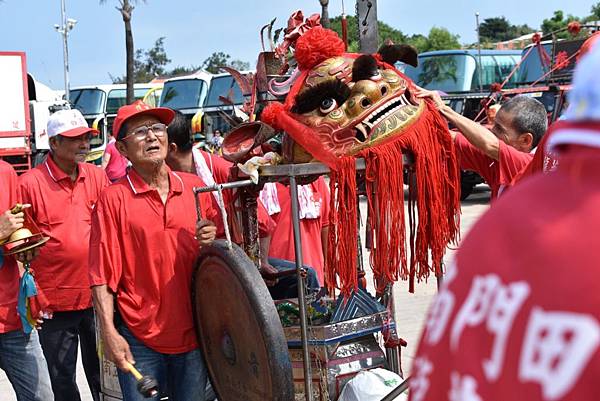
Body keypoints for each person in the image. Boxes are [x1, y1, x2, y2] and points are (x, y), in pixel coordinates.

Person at [409, 43, 600, 401]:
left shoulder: (519, 164)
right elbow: (456, 140)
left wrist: (446, 109)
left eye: (499, 129)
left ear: (529, 143)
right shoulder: (501, 173)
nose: (490, 133)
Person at [89, 101, 218, 401]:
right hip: (139, 339)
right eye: (140, 131)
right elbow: (101, 275)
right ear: (122, 149)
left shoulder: (195, 188)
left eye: (158, 128)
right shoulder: (113, 200)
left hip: (194, 335)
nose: (152, 137)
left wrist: (211, 240)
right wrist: (109, 332)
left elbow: (222, 260)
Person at [165, 111, 320, 299]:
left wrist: (260, 262)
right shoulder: (163, 180)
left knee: (306, 276)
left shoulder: (222, 170)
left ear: (171, 148)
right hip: (190, 264)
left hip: (229, 261)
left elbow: (262, 223)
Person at [19, 109, 108, 401]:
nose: (83, 144)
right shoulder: (30, 184)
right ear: (53, 143)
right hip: (54, 302)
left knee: (103, 375)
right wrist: (31, 296)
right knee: (62, 379)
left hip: (97, 296)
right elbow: (19, 247)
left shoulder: (97, 177)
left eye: (86, 138)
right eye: (74, 139)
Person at [417, 90, 547, 199]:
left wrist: (445, 109)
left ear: (525, 140)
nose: (492, 130)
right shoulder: (495, 160)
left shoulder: (532, 165)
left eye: (500, 129)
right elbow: (448, 137)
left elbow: (489, 144)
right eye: (494, 125)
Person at [0, 161, 54, 400]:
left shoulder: (5, 172)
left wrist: (26, 249)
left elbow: (13, 238)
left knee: (41, 397)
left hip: (13, 318)